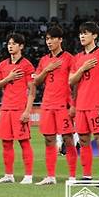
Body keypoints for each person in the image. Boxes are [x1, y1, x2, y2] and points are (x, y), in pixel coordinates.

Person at [69, 22, 99, 186]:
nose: (82, 36)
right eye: (80, 33)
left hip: (96, 104)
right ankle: (87, 176)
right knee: (83, 140)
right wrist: (82, 68)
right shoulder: (77, 58)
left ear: (94, 36)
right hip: (81, 106)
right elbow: (71, 81)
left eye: (85, 33)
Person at [33, 26, 77, 185]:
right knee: (49, 140)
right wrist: (46, 70)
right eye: (47, 39)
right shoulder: (44, 60)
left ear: (60, 40)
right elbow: (36, 81)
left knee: (68, 139)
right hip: (47, 104)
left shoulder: (69, 58)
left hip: (63, 105)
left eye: (52, 38)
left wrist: (74, 104)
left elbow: (75, 83)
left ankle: (72, 176)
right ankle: (50, 176)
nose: (49, 42)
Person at [0, 33, 36, 185]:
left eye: (14, 43)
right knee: (6, 143)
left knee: (24, 142)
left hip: (19, 109)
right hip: (6, 108)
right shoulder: (3, 65)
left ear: (21, 46)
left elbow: (32, 90)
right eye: (9, 43)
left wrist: (27, 111)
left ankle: (28, 176)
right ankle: (8, 175)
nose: (10, 46)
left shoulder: (27, 65)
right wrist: (8, 78)